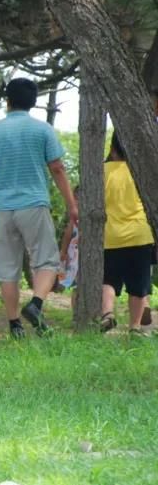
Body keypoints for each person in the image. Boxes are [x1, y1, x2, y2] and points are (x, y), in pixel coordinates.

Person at [0, 78, 77, 338]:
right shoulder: (42, 130)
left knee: (7, 269)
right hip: (33, 204)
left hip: (2, 208)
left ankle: (15, 326)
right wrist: (71, 204)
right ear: (33, 103)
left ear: (7, 100)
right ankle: (36, 305)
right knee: (46, 260)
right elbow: (57, 168)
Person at [98, 132, 154, 335]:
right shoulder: (142, 170)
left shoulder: (100, 171)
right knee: (138, 285)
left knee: (108, 279)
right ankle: (135, 327)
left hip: (109, 235)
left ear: (112, 149)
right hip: (139, 234)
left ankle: (107, 313)